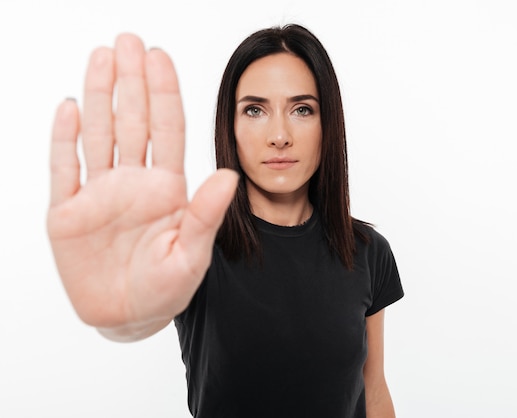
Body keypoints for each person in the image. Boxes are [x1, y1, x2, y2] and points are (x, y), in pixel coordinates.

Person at [47, 24, 404, 417]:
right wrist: (120, 317)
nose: (279, 135)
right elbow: (136, 320)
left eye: (302, 109)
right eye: (255, 109)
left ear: (328, 123)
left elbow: (373, 390)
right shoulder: (192, 248)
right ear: (229, 127)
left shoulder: (368, 252)